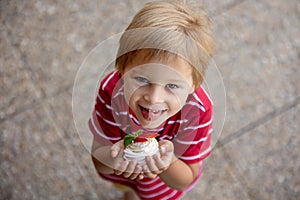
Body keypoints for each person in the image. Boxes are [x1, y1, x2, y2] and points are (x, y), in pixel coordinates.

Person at [89, 1, 215, 199]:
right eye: (141, 79)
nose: (154, 98)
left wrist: (168, 163)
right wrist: (115, 158)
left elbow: (184, 179)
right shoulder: (111, 92)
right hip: (124, 175)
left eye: (172, 86)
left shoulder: (197, 110)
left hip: (164, 186)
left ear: (194, 85)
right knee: (129, 191)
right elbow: (100, 163)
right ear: (122, 70)